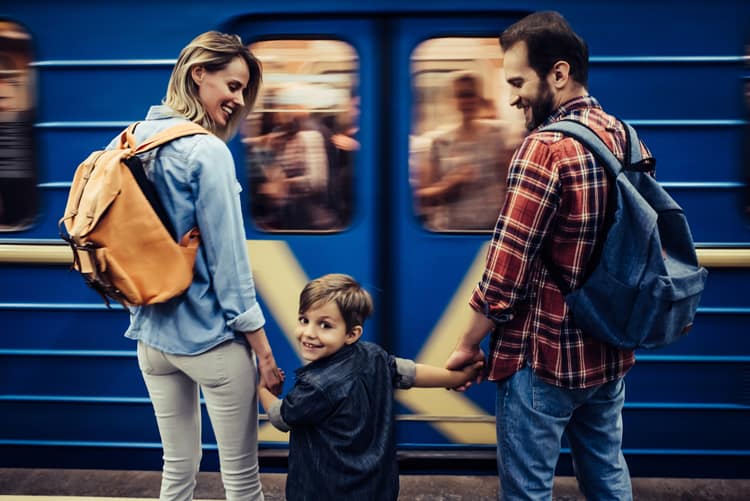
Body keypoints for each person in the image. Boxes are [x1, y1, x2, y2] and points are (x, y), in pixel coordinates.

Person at [444, 11, 653, 500]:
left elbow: (505, 270)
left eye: (518, 80)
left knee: (528, 491)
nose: (512, 94)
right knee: (606, 476)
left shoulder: (545, 149)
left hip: (543, 358)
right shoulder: (624, 136)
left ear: (558, 74)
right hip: (608, 352)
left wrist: (468, 344)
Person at [106, 32, 284, 501]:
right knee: (242, 482)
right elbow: (231, 265)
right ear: (197, 74)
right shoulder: (207, 151)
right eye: (232, 85)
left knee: (177, 472)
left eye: (243, 90)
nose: (237, 99)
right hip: (212, 345)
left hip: (151, 341)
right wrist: (263, 353)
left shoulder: (127, 141)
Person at [258, 273, 483, 501]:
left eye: (324, 325)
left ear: (352, 334)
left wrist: (263, 389)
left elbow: (282, 418)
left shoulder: (316, 387)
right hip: (377, 489)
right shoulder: (374, 356)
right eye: (304, 320)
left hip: (324, 491)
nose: (308, 333)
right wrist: (454, 378)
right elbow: (411, 373)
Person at [416, 72, 518, 230]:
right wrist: (450, 184)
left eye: (471, 95)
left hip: (489, 231)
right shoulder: (440, 141)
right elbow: (424, 196)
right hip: (450, 231)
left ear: (479, 98)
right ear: (453, 100)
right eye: (461, 96)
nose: (467, 101)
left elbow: (512, 186)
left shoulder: (498, 135)